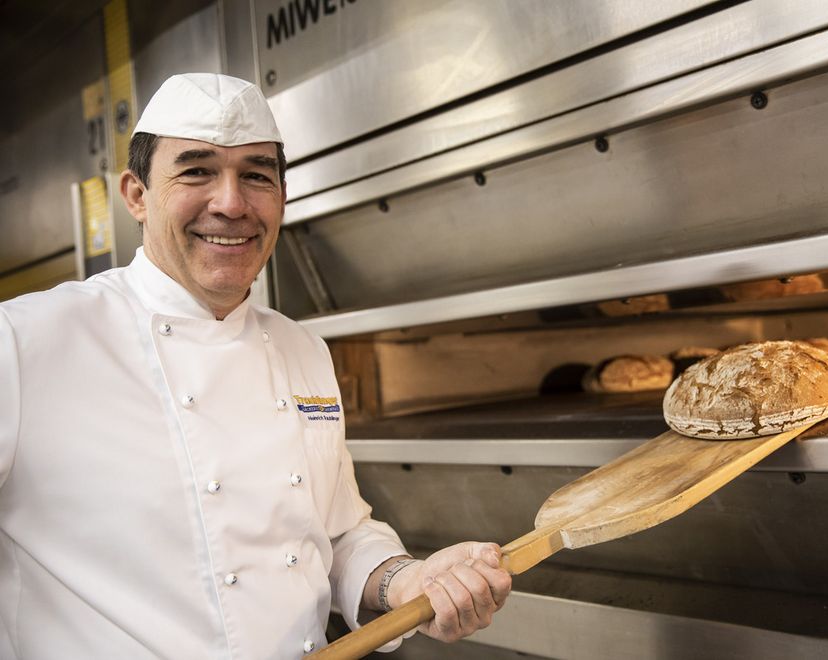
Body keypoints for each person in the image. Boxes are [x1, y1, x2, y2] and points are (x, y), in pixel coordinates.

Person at [0, 73, 511, 658]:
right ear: (136, 194)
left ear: (281, 198)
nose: (231, 203)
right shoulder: (24, 341)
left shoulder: (303, 350)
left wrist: (407, 582)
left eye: (256, 176)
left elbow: (337, 533)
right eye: (196, 171)